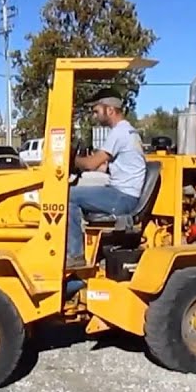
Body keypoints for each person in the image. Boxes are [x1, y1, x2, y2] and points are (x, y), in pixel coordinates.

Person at [65, 88, 147, 268]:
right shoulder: (128, 131)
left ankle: (75, 254)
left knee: (68, 196)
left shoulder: (120, 132)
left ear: (110, 110)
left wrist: (68, 159)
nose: (95, 116)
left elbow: (90, 164)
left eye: (96, 111)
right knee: (80, 189)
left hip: (123, 198)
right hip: (122, 192)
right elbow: (103, 166)